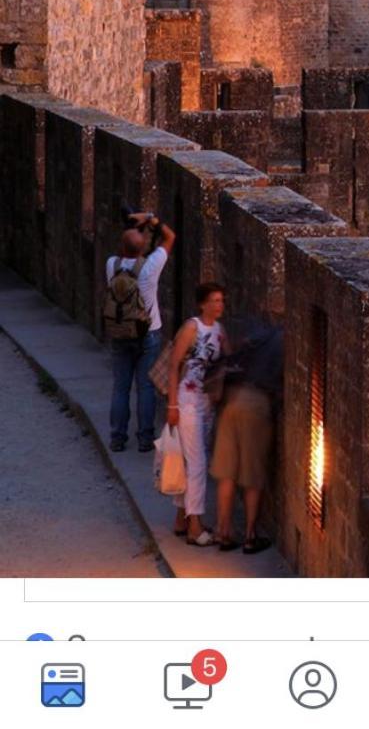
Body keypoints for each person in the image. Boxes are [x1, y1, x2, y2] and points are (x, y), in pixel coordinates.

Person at [210, 316, 283, 554]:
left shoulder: (258, 333)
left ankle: (224, 532)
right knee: (252, 475)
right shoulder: (283, 341)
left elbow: (236, 353)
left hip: (232, 400)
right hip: (257, 404)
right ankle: (251, 536)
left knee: (227, 472)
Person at [107, 212, 175, 454]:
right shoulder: (150, 268)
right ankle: (145, 439)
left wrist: (132, 226)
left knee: (120, 387)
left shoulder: (111, 265)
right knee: (145, 387)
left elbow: (127, 245)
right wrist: (151, 219)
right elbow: (170, 237)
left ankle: (117, 438)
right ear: (143, 245)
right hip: (148, 333)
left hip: (119, 332)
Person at [167, 283, 228, 547]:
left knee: (190, 459)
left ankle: (181, 518)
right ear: (202, 304)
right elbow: (173, 365)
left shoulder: (219, 330)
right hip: (187, 400)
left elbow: (225, 362)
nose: (219, 305)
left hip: (206, 402)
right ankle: (195, 525)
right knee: (198, 462)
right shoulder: (192, 328)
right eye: (214, 300)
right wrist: (172, 406)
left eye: (221, 300)